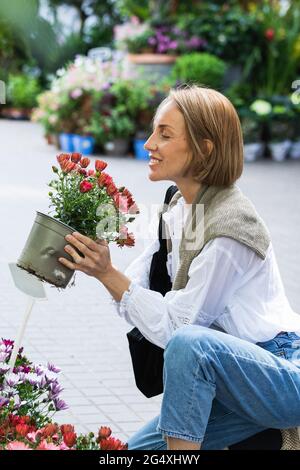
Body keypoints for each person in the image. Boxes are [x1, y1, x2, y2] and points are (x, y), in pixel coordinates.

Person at [58, 84, 300, 450]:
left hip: (277, 374)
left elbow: (178, 329)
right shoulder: (179, 207)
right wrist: (96, 261)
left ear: (204, 148)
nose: (148, 143)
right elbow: (137, 288)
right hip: (223, 381)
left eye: (165, 134)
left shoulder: (232, 228)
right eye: (154, 130)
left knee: (189, 343)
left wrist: (109, 275)